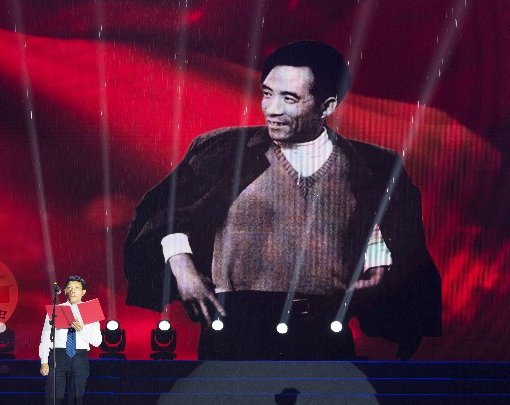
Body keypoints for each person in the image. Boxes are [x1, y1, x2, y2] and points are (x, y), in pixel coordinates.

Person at [124, 40, 441, 360]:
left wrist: (378, 262)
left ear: (327, 106)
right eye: (267, 93)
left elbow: (388, 230)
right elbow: (168, 215)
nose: (272, 109)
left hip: (323, 333)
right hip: (235, 332)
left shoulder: (372, 166)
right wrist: (184, 270)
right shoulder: (223, 151)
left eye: (289, 98)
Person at [39, 276, 102, 404]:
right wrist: (44, 361)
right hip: (58, 356)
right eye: (69, 288)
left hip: (79, 357)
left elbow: (97, 341)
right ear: (65, 291)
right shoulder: (55, 310)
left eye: (77, 288)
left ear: (83, 292)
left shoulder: (90, 310)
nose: (73, 290)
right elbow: (45, 338)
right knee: (53, 397)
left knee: (76, 398)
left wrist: (82, 330)